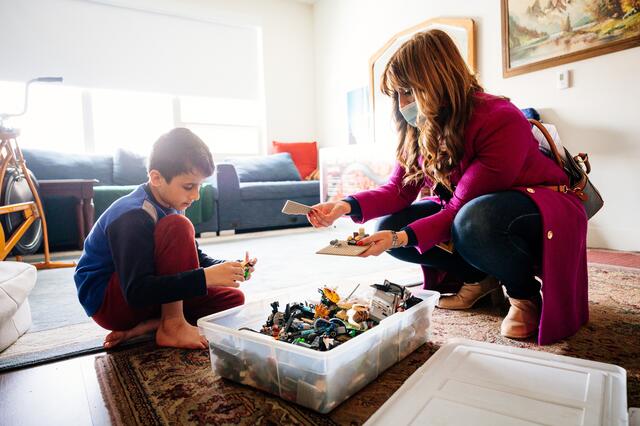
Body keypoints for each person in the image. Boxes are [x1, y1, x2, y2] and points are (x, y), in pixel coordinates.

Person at [308, 30, 588, 345]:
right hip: (472, 210)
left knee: (472, 222)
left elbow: (459, 209)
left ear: (437, 80)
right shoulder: (419, 129)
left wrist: (400, 238)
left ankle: (525, 296)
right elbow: (397, 191)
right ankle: (478, 279)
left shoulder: (500, 118)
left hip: (541, 208)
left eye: (409, 92)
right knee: (389, 225)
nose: (402, 105)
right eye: (397, 95)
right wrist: (344, 207)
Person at [74, 128, 256, 349]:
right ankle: (173, 325)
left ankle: (151, 325)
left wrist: (229, 267)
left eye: (200, 186)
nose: (196, 196)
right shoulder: (133, 215)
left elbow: (195, 258)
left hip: (147, 295)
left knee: (232, 299)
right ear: (156, 178)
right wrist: (205, 278)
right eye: (189, 186)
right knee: (178, 227)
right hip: (110, 302)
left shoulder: (172, 204)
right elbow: (137, 291)